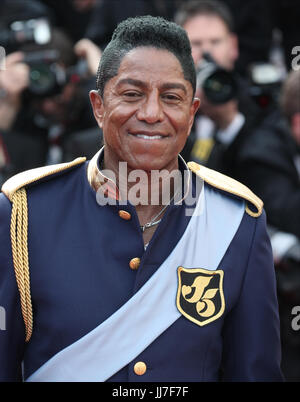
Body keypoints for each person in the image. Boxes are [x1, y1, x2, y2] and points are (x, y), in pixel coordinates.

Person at [0, 15, 283, 382]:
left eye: (171, 98)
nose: (151, 114)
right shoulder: (25, 212)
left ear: (192, 112)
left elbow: (254, 373)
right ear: (99, 106)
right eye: (132, 94)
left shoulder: (237, 220)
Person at [175, 0, 273, 180]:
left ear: (233, 46)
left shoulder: (260, 102)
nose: (206, 51)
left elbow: (265, 171)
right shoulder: (168, 104)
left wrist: (230, 121)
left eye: (215, 41)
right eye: (196, 43)